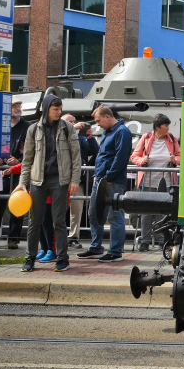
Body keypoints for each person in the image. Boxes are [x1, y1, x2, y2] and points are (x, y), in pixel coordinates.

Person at [14, 94, 79, 273]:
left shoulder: (67, 128)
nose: (59, 112)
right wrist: (22, 183)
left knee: (59, 220)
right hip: (37, 181)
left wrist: (74, 180)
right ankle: (29, 258)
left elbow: (76, 157)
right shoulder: (33, 129)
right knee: (34, 221)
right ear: (46, 109)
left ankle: (63, 258)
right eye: (55, 109)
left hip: (60, 180)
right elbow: (27, 159)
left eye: (60, 109)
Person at [78, 106, 133, 262]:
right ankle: (96, 247)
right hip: (102, 179)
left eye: (98, 120)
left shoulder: (122, 132)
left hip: (112, 181)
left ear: (107, 117)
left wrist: (109, 176)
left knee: (115, 216)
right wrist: (98, 175)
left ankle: (115, 252)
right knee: (94, 213)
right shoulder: (107, 131)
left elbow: (121, 157)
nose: (97, 124)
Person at [130, 113, 180, 252]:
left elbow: (179, 156)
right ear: (157, 127)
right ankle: (145, 241)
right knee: (146, 212)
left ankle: (162, 240)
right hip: (148, 181)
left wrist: (174, 161)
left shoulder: (172, 139)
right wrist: (142, 161)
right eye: (165, 126)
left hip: (166, 182)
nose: (168, 128)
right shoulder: (146, 138)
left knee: (163, 212)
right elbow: (135, 156)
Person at [0, 100, 31, 249]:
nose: (17, 109)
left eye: (19, 106)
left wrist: (18, 161)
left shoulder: (28, 127)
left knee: (17, 205)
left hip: (18, 173)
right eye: (14, 107)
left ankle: (13, 239)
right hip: (0, 173)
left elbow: (31, 153)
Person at [62, 114, 97, 249]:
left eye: (74, 121)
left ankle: (73, 237)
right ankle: (55, 235)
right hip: (62, 178)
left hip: (78, 179)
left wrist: (90, 138)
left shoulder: (80, 138)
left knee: (76, 210)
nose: (74, 123)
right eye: (69, 122)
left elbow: (94, 151)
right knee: (59, 208)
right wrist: (72, 129)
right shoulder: (60, 134)